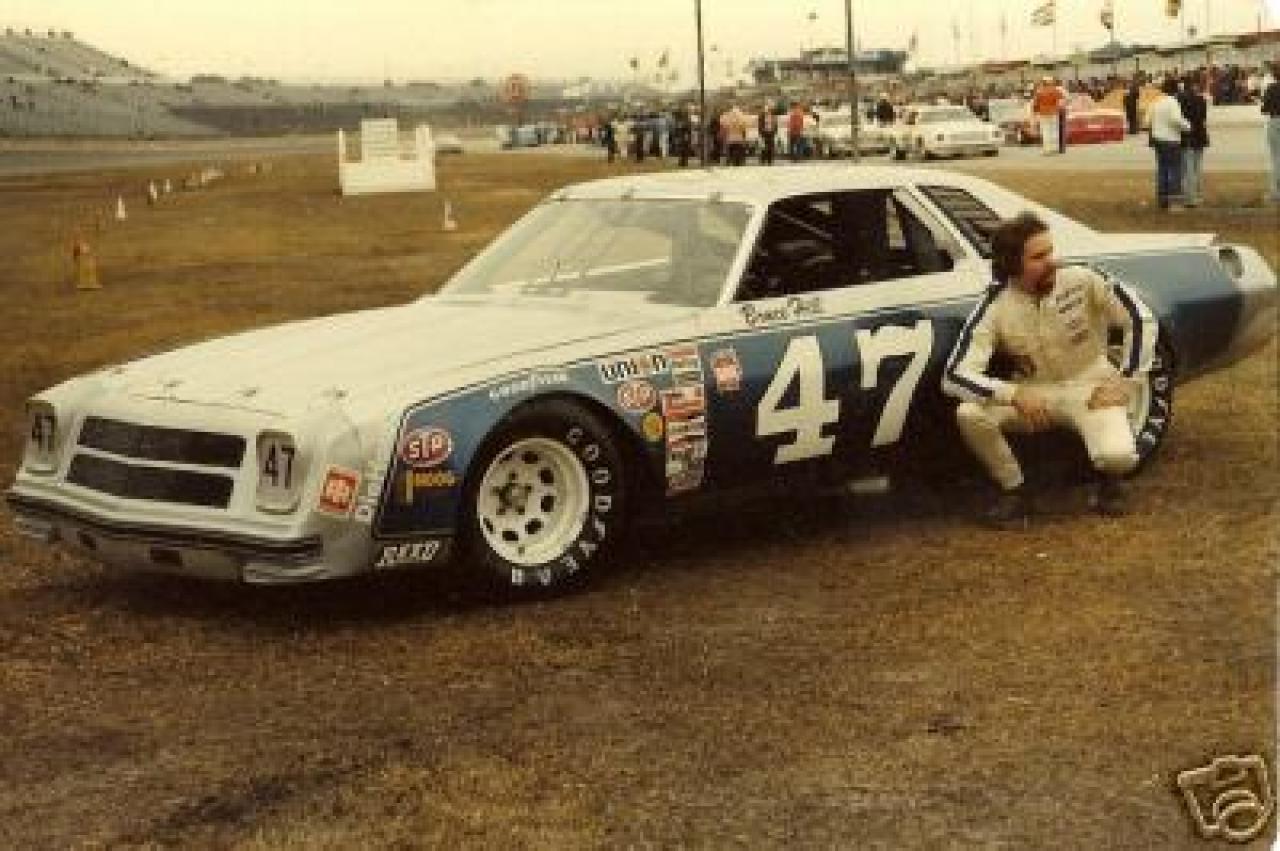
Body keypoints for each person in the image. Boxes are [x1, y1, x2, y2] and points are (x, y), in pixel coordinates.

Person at [943, 212, 1157, 527]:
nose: (1052, 262)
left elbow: (1140, 318)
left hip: (1091, 389)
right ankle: (1015, 491)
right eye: (1038, 257)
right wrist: (1013, 394)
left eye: (1050, 252)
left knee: (1118, 456)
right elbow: (954, 374)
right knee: (969, 413)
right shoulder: (994, 306)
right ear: (1012, 264)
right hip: (1036, 394)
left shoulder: (1082, 278)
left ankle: (1110, 484)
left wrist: (1126, 382)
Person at [1148, 76, 1191, 210]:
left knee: (1162, 169)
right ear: (1175, 90)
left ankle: (1162, 200)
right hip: (1171, 140)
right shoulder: (1173, 102)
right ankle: (1175, 202)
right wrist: (1187, 126)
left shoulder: (1156, 102)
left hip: (1158, 139)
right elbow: (1175, 119)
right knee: (1175, 170)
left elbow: (1147, 121)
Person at [1178, 75, 1209, 207]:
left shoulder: (1179, 100)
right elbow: (1203, 118)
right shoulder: (1201, 99)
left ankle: (1189, 197)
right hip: (1200, 135)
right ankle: (1198, 194)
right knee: (1197, 167)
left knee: (1187, 169)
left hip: (1187, 136)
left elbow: (1179, 119)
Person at [1032, 76, 1065, 154]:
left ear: (1043, 82)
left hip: (1043, 113)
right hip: (1054, 112)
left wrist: (1035, 113)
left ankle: (1047, 149)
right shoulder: (1056, 91)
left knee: (1046, 131)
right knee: (1054, 130)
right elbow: (1061, 102)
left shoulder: (1039, 92)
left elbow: (1035, 104)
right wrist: (1058, 109)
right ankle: (1055, 148)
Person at [1263, 62, 1280, 205]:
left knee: (1275, 158)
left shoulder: (1271, 88)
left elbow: (1264, 109)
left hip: (1275, 121)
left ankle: (1275, 192)